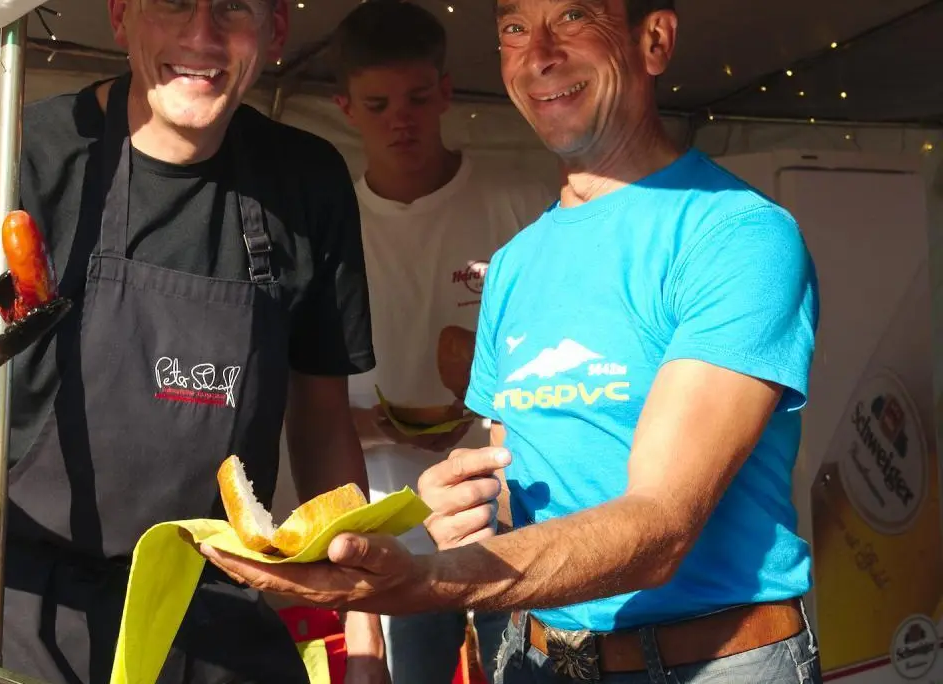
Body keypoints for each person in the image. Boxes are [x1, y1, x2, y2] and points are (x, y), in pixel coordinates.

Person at [0, 0, 390, 682]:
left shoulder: (307, 184)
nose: (201, 34)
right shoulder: (0, 166)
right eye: (173, 1)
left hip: (219, 620)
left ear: (276, 30)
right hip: (26, 623)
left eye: (233, 7)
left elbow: (322, 430)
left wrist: (368, 644)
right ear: (120, 15)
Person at [200, 0, 825, 682]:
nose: (540, 52)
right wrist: (454, 504)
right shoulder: (519, 262)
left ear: (654, 41)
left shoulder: (735, 234)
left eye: (575, 16)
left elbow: (659, 527)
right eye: (514, 28)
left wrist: (434, 580)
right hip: (537, 658)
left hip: (712, 660)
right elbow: (516, 481)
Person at [330, 1, 552, 681]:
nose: (400, 119)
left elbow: (558, 359)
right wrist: (372, 424)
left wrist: (491, 420)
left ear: (446, 93)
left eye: (418, 98)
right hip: (390, 517)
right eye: (377, 103)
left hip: (512, 507)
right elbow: (309, 392)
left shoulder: (518, 202)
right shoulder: (331, 220)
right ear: (345, 107)